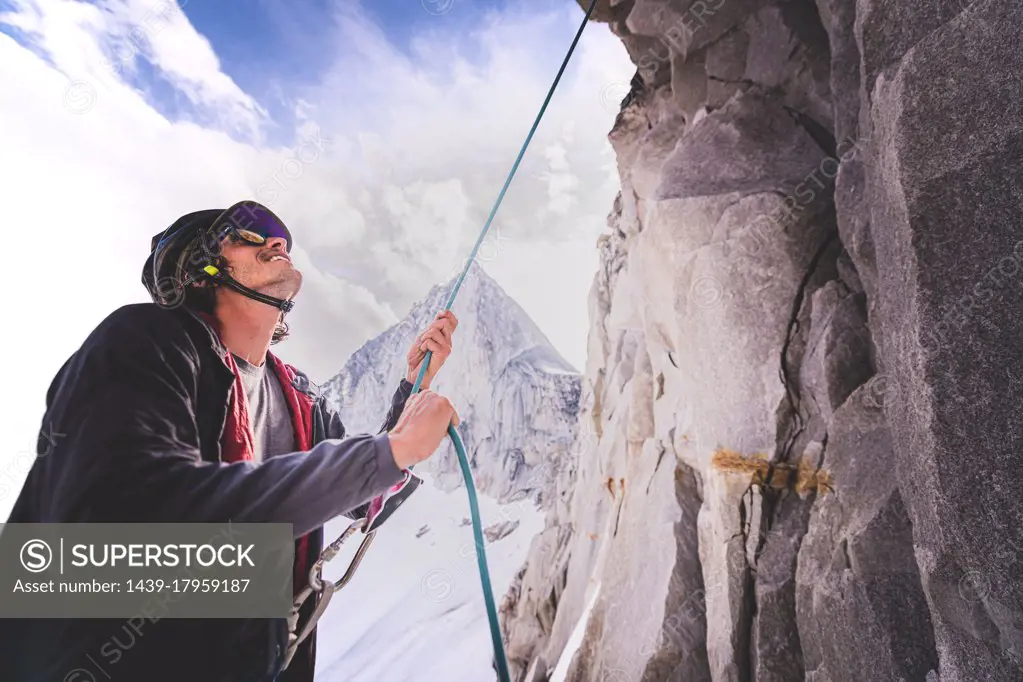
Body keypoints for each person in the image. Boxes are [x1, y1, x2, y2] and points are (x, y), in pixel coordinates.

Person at [0, 200, 460, 682]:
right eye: (251, 231)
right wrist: (388, 452)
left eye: (283, 235)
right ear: (200, 268)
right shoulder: (142, 341)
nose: (277, 242)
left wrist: (412, 392)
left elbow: (374, 498)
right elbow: (140, 521)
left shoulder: (300, 401)